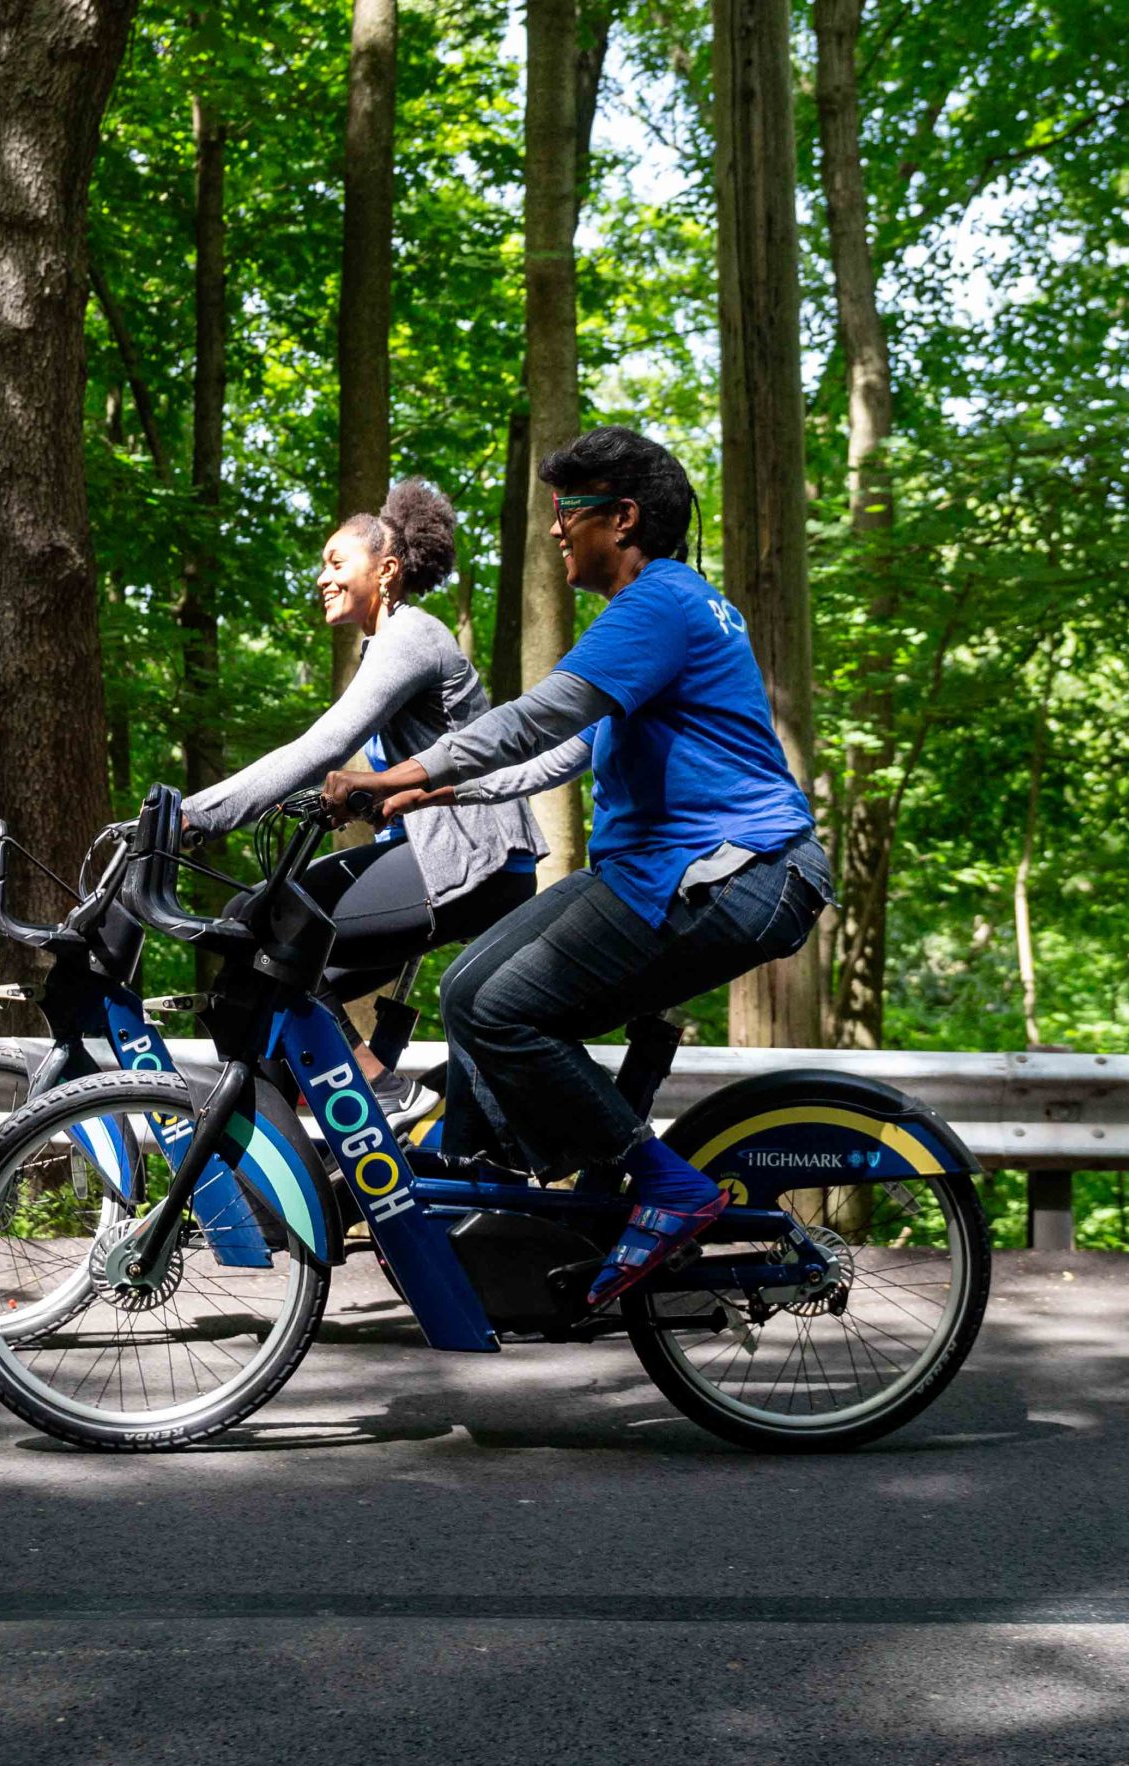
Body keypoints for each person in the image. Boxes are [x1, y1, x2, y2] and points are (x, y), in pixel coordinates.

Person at [322, 427, 832, 1305]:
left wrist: (396, 773)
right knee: (469, 989)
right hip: (675, 872)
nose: (555, 529)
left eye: (568, 511)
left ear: (622, 518)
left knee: (502, 1006)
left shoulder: (659, 606)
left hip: (733, 872)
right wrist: (435, 793)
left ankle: (665, 1186)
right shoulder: (663, 612)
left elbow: (537, 718)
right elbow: (559, 755)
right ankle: (507, 1198)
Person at [183, 478, 542, 1105]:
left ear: (386, 570)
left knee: (263, 921)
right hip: (448, 859)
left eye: (336, 562)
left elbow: (322, 747)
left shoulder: (412, 636)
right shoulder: (388, 645)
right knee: (263, 985)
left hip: (471, 860)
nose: (322, 578)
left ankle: (377, 1086)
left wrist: (194, 816)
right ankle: (301, 1135)